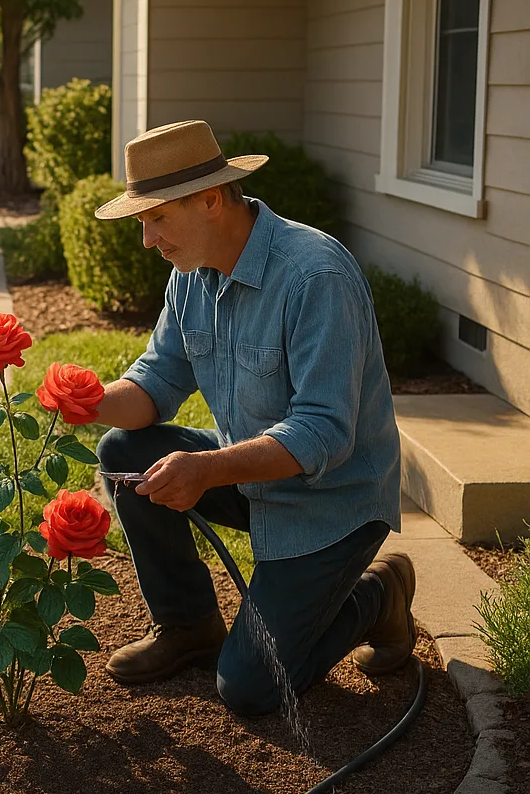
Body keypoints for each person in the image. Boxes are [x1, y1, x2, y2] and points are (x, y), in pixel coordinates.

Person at [86, 119, 413, 717]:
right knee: (120, 450)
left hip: (332, 502)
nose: (147, 240)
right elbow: (155, 383)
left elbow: (323, 432)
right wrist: (85, 398)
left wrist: (206, 469)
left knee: (251, 691)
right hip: (251, 476)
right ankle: (189, 626)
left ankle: (379, 594)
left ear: (211, 200)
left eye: (156, 218)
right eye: (142, 222)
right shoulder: (190, 275)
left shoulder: (316, 275)